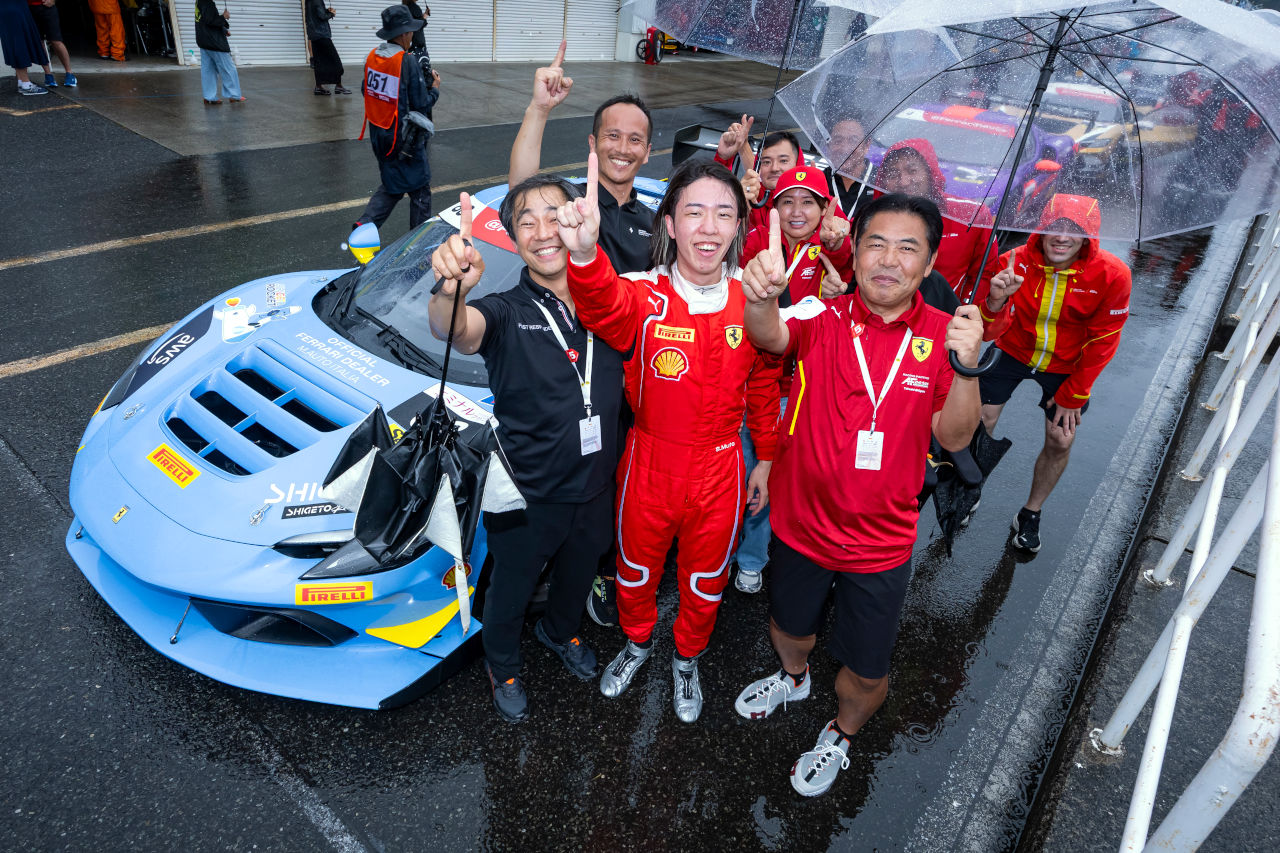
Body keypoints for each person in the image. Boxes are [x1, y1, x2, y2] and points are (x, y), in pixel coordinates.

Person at [734, 192, 983, 797]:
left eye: (908, 249)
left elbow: (953, 436)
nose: (888, 260)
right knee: (790, 630)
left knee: (866, 672)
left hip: (882, 544)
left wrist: (969, 365)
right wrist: (761, 296)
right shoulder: (822, 315)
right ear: (857, 249)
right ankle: (793, 679)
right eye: (876, 243)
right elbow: (768, 337)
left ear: (928, 266)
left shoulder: (944, 336)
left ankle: (841, 733)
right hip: (800, 529)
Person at [558, 155, 781, 724]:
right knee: (634, 568)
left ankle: (688, 657)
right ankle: (636, 642)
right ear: (670, 224)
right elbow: (603, 306)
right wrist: (584, 254)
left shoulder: (752, 306)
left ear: (739, 228)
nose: (708, 228)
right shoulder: (643, 294)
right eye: (695, 212)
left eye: (724, 214)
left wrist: (767, 457)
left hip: (722, 466)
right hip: (649, 461)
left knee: (706, 578)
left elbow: (763, 383)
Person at [426, 178, 625, 723]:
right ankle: (503, 663)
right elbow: (459, 330)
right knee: (511, 585)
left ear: (577, 220)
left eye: (554, 215)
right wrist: (451, 288)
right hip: (525, 488)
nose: (543, 232)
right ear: (512, 237)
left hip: (596, 481)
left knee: (580, 570)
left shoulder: (611, 299)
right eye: (526, 222)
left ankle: (559, 632)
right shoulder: (506, 309)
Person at [508, 41, 657, 629]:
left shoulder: (654, 219)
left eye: (635, 138)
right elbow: (522, 187)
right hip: (563, 369)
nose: (623, 147)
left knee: (612, 487)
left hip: (622, 379)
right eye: (611, 136)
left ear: (648, 151)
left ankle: (599, 565)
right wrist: (538, 110)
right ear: (594, 144)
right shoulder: (570, 203)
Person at [977, 193, 1131, 553]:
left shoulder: (1113, 275)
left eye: (1074, 229)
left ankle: (1030, 513)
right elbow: (986, 331)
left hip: (1069, 366)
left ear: (1089, 237)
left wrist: (1073, 394)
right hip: (1013, 349)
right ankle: (971, 488)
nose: (1062, 236)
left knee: (1060, 439)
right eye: (1054, 227)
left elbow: (1104, 342)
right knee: (979, 420)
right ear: (1040, 231)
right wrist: (996, 300)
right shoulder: (1011, 261)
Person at [729, 166, 852, 594]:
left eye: (808, 202)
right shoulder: (758, 243)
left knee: (773, 476)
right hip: (749, 381)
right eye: (787, 201)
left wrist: (839, 274)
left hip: (799, 390)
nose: (797, 211)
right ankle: (724, 548)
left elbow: (851, 270)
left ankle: (753, 557)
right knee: (742, 470)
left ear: (825, 209)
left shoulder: (833, 247)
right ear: (774, 207)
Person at [875, 138, 999, 302]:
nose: (903, 181)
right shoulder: (871, 221)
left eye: (912, 171)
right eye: (893, 173)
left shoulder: (971, 216)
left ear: (930, 172)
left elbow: (983, 273)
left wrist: (963, 310)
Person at [353, 5, 440, 232]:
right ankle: (418, 244)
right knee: (420, 190)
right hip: (404, 139)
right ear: (403, 34)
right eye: (410, 31)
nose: (412, 35)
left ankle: (364, 227)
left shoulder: (373, 56)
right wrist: (435, 88)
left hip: (380, 134)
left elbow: (366, 90)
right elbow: (421, 103)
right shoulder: (405, 60)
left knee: (393, 186)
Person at [195, 0, 243, 104]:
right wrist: (224, 17)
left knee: (208, 70)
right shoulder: (208, 2)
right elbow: (210, 20)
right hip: (215, 42)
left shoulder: (199, 1)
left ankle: (209, 97)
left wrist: (224, 30)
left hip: (204, 41)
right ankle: (234, 95)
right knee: (229, 69)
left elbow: (205, 21)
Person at [1, 0, 49, 94]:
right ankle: (26, 84)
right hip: (13, 9)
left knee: (15, 43)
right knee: (19, 44)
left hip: (12, 8)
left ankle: (22, 81)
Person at [26, 0, 76, 88]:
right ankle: (48, 75)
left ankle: (69, 73)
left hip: (47, 6)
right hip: (29, 8)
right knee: (39, 42)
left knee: (56, 41)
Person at [305, 0, 348, 95]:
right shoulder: (317, 1)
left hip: (314, 35)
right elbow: (322, 16)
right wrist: (331, 14)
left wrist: (326, 11)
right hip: (322, 35)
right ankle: (339, 86)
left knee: (320, 62)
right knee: (335, 61)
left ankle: (318, 87)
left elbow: (316, 14)